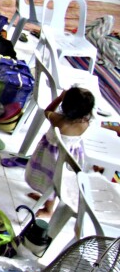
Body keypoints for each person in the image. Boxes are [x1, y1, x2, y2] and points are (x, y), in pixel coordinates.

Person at [25, 87, 94, 217]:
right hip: (70, 157)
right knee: (52, 181)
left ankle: (48, 210)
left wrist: (59, 98)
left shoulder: (58, 120)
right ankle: (45, 198)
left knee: (50, 181)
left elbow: (47, 111)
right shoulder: (85, 123)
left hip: (51, 156)